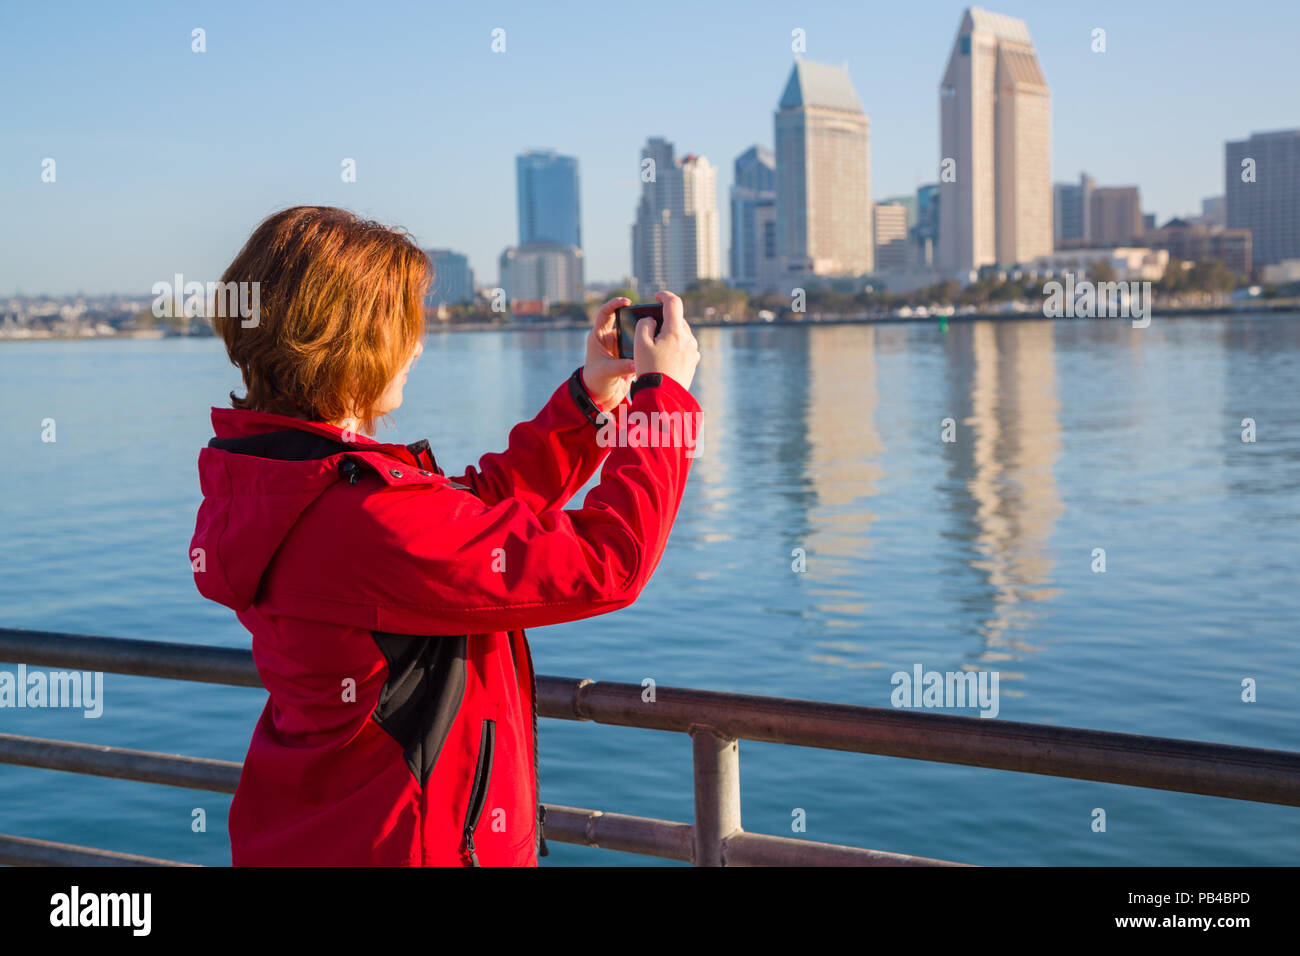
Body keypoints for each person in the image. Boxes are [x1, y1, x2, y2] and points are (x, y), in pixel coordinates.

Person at [189, 206, 700, 866]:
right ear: (354, 342)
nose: (419, 346)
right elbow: (608, 562)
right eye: (406, 327)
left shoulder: (281, 484)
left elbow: (468, 518)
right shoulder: (363, 517)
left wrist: (589, 405)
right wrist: (665, 404)